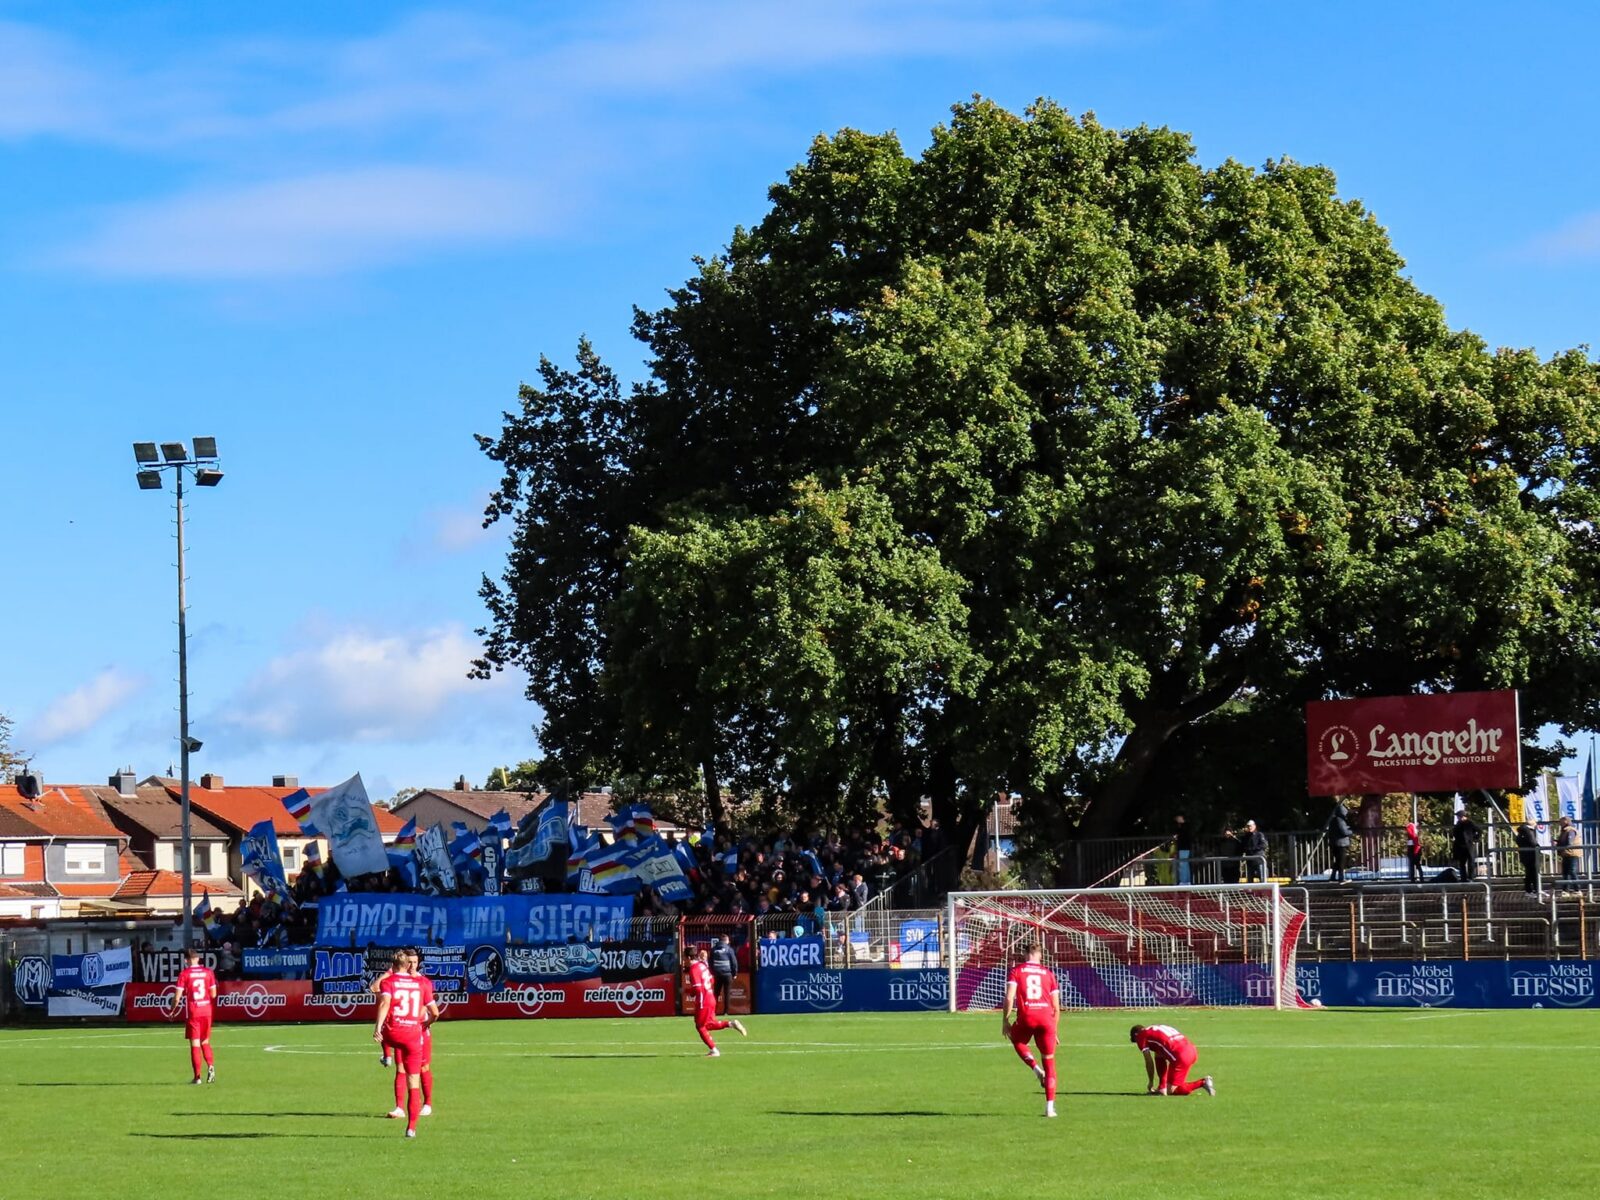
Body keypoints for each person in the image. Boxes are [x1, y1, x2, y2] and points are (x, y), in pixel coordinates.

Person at [373, 947, 439, 1139]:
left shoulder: (396, 982)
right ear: (405, 963)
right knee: (410, 1077)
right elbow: (435, 1012)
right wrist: (424, 1023)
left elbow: (382, 1002)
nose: (412, 966)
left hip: (401, 1031)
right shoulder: (421, 985)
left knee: (423, 1067)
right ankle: (411, 1126)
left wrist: (377, 1027)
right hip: (413, 1033)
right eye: (409, 962)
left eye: (415, 962)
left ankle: (427, 1104)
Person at [1003, 942, 1060, 1118]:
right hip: (1046, 1019)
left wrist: (1005, 1020)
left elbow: (1009, 997)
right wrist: (1054, 1030)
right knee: (1049, 1063)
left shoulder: (1017, 971)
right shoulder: (1049, 974)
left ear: (1025, 955)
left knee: (1017, 1039)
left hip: (1027, 1015)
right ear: (1040, 955)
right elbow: (1057, 1008)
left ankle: (1035, 1069)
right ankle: (1049, 1108)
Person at [688, 946, 746, 1057]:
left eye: (684, 958)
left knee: (701, 1027)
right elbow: (711, 980)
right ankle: (731, 1024)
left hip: (703, 1000)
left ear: (689, 957)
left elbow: (698, 989)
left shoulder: (694, 968)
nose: (684, 961)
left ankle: (714, 1050)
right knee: (708, 1025)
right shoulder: (702, 966)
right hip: (710, 997)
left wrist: (687, 991)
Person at [1130, 1024, 1213, 1097]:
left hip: (1180, 1056)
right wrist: (1162, 1086)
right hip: (1191, 1050)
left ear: (1135, 1035)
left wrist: (1151, 1081)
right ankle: (1162, 1088)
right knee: (1158, 1054)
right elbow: (1159, 1055)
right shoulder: (1155, 1029)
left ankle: (1202, 1082)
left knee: (1172, 1090)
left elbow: (1149, 1061)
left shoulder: (1141, 1036)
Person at [177, 948, 217, 1085]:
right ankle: (211, 1065)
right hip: (207, 1010)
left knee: (195, 1044)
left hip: (194, 1011)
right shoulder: (208, 972)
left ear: (186, 960)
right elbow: (213, 994)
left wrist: (172, 1010)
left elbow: (177, 997)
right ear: (198, 958)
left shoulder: (184, 974)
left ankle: (197, 1077)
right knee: (205, 1041)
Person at [709, 936, 738, 1015]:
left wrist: (712, 972)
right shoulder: (729, 949)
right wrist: (734, 973)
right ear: (726, 940)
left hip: (717, 974)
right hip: (727, 974)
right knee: (727, 993)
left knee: (716, 994)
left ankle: (713, 1011)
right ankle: (726, 1012)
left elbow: (710, 962)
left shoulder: (713, 949)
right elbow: (734, 962)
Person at [1325, 803, 1353, 882]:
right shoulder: (1340, 820)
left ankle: (1333, 876)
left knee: (1337, 861)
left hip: (1335, 843)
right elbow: (1344, 831)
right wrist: (1351, 831)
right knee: (1341, 861)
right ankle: (1341, 878)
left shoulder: (1334, 820)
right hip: (1341, 843)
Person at [1451, 809, 1480, 881]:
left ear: (1463, 816)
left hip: (1469, 845)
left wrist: (1474, 839)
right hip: (1461, 846)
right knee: (1462, 863)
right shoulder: (1458, 825)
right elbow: (1454, 833)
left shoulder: (1470, 823)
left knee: (1471, 861)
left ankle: (1471, 877)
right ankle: (1463, 878)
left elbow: (1479, 831)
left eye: (1459, 816)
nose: (1458, 818)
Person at [1515, 820, 1541, 894]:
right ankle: (1535, 890)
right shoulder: (1528, 831)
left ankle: (1529, 890)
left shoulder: (1521, 832)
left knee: (1529, 873)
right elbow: (1533, 842)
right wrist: (1538, 848)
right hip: (1531, 855)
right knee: (1534, 872)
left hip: (1524, 855)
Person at [1556, 817, 1582, 886]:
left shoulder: (1570, 830)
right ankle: (1566, 890)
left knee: (1572, 871)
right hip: (1566, 853)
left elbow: (1569, 842)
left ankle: (1577, 889)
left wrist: (1558, 844)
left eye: (1561, 821)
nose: (1560, 823)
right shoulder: (1565, 830)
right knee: (1565, 872)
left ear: (1566, 821)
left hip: (1571, 853)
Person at [1173, 815, 1193, 885]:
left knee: (1183, 864)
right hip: (1185, 847)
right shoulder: (1185, 826)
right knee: (1185, 864)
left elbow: (1181, 835)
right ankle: (1187, 881)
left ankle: (1184, 881)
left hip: (1184, 847)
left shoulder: (1183, 826)